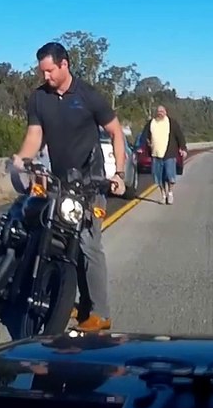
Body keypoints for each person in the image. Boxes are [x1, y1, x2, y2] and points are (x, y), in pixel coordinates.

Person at [10, 41, 127, 333]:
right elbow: (35, 136)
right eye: (42, 72)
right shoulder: (39, 98)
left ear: (64, 65)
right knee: (57, 239)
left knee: (88, 244)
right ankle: (71, 300)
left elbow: (116, 132)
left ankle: (100, 313)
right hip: (58, 181)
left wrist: (119, 173)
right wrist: (22, 160)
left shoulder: (88, 95)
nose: (45, 76)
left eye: (50, 71)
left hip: (90, 184)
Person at [140, 105, 187, 205]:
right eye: (158, 111)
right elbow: (144, 135)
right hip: (155, 154)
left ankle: (170, 193)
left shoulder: (172, 123)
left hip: (169, 154)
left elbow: (180, 136)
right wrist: (141, 146)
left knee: (170, 176)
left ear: (165, 112)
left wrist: (183, 148)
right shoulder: (151, 123)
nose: (160, 113)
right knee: (158, 177)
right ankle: (163, 195)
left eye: (162, 111)